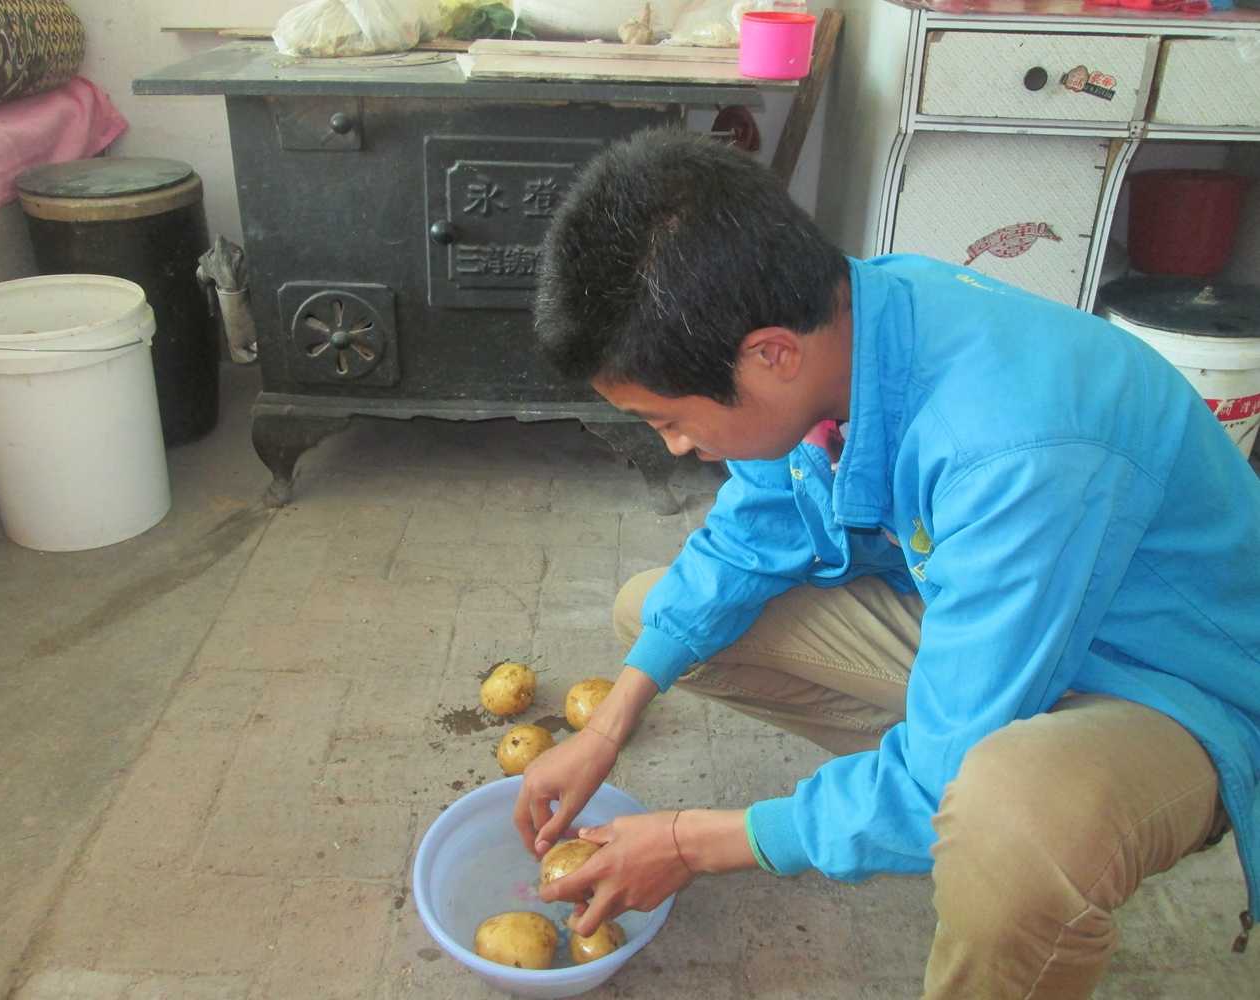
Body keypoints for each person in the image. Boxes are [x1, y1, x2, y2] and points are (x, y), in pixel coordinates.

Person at [514, 128, 1260, 998]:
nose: (676, 447)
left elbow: (947, 766)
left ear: (769, 356)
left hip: (1177, 691)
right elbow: (755, 530)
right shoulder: (840, 320)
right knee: (659, 617)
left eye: (667, 420)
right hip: (1011, 624)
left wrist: (692, 842)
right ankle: (940, 772)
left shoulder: (1013, 448)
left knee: (1006, 820)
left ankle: (989, 801)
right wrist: (606, 727)